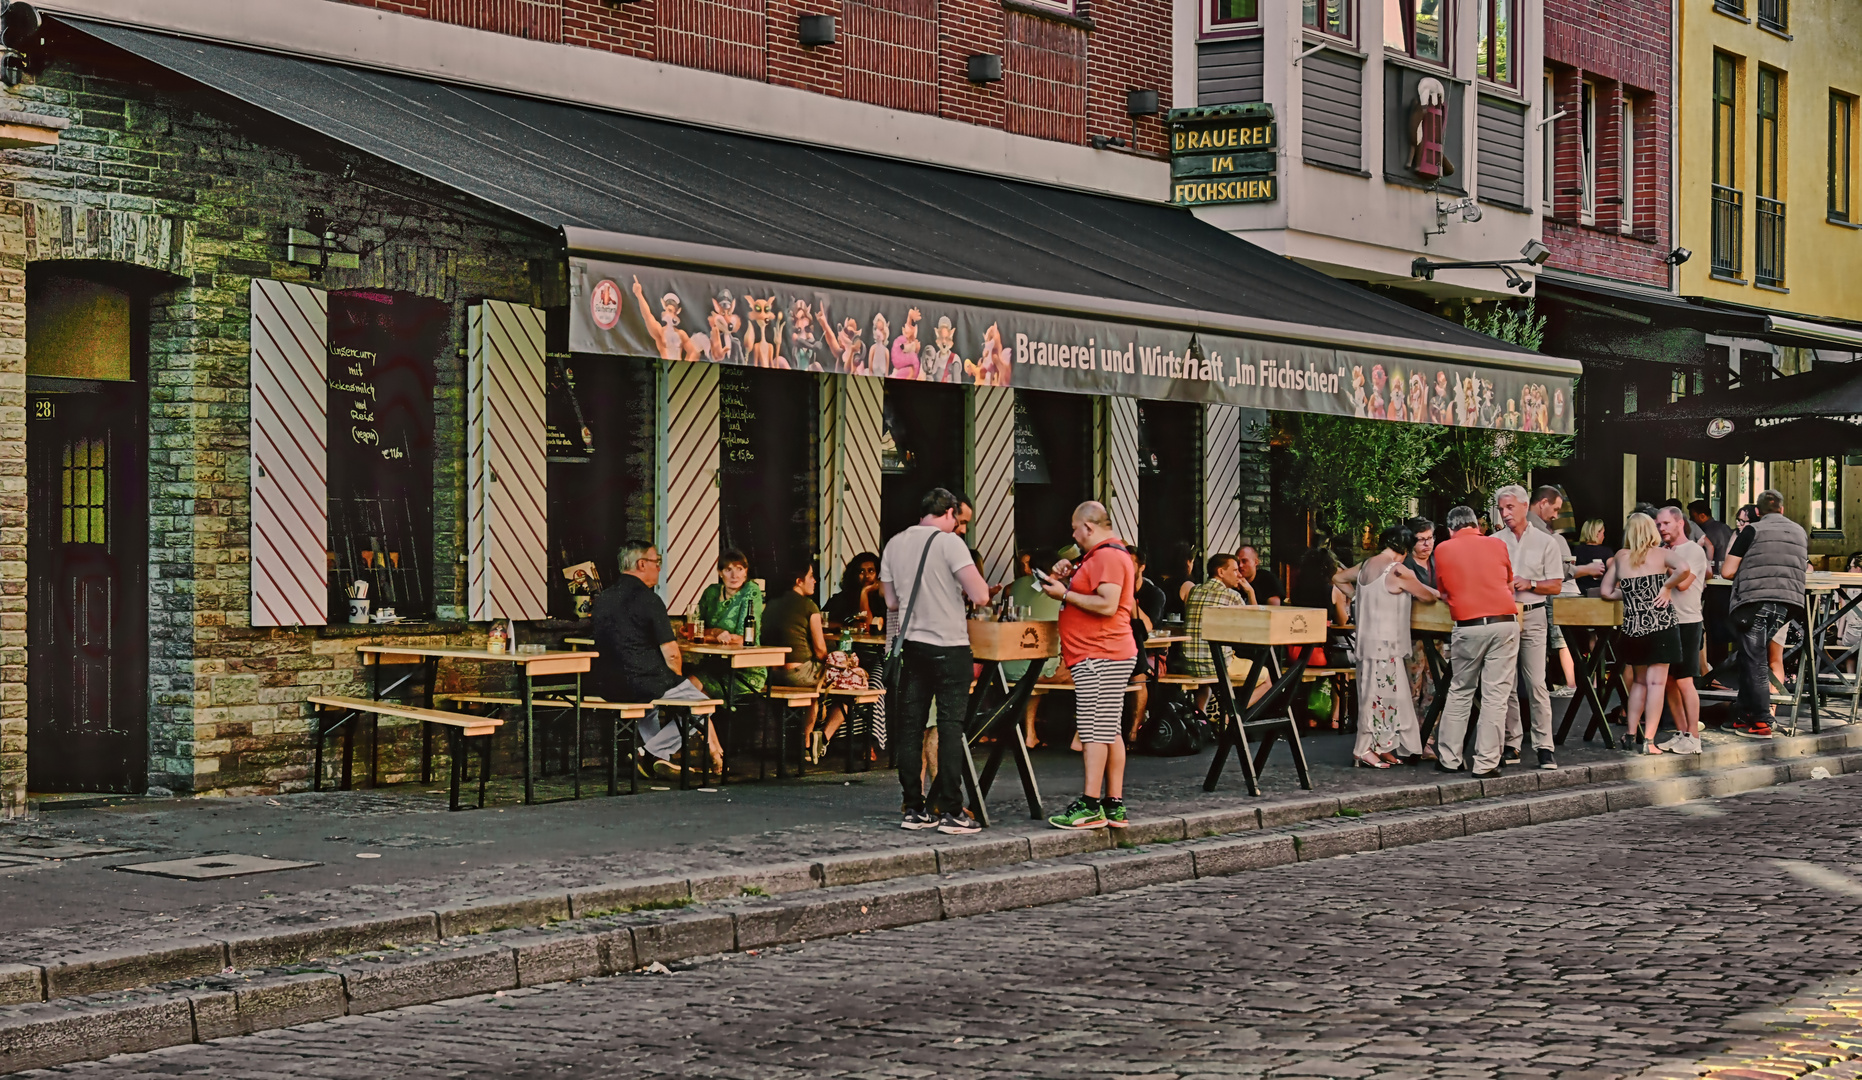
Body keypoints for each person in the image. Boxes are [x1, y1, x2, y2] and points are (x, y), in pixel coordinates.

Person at [881, 488, 992, 833]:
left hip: (913, 647)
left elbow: (892, 603)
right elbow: (981, 594)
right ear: (947, 513)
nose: (960, 528)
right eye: (958, 520)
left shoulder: (894, 544)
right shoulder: (949, 544)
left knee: (910, 729)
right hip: (951, 646)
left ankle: (913, 808)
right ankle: (952, 810)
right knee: (949, 728)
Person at [1040, 501, 1138, 830]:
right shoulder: (1103, 556)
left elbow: (1108, 604)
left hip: (1101, 654)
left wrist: (1064, 596)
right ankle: (1114, 804)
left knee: (1094, 728)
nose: (1072, 534)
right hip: (1103, 653)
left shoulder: (1108, 556)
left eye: (1074, 527)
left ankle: (1090, 804)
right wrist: (1065, 578)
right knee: (1108, 729)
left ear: (1089, 527)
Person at [590, 540, 721, 778]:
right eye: (656, 562)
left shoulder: (603, 598)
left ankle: (658, 759)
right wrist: (677, 682)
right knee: (702, 706)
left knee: (649, 709)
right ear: (642, 564)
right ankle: (651, 753)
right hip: (644, 680)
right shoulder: (649, 599)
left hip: (606, 684)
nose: (659, 568)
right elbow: (671, 652)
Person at [1430, 505, 1519, 777]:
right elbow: (1508, 582)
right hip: (1503, 623)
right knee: (1495, 696)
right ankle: (1486, 763)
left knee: (1460, 690)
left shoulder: (1442, 549)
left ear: (1449, 528)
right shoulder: (1498, 545)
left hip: (1467, 626)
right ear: (1477, 525)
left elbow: (1444, 591)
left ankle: (1449, 758)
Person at [1600, 512, 1693, 753]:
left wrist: (1631, 595)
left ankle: (1631, 734)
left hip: (1633, 628)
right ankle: (1649, 741)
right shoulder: (1662, 554)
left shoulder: (1620, 557)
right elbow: (1684, 568)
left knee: (1639, 683)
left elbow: (1606, 592)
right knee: (1656, 684)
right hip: (1661, 626)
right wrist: (1666, 587)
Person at [1721, 489, 1808, 739]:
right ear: (1782, 509)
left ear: (1757, 512)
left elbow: (1727, 571)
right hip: (1789, 603)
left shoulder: (1752, 530)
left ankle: (1761, 722)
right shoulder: (1799, 532)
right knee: (1754, 658)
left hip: (1754, 601)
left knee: (1754, 660)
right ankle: (1744, 715)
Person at [1352, 522, 1439, 768]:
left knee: (1377, 694)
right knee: (1382, 696)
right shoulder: (1398, 570)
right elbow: (1426, 595)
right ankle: (1363, 750)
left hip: (1367, 641)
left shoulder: (1366, 565)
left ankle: (1382, 745)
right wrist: (1437, 593)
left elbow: (1339, 578)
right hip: (1387, 642)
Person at [1494, 485, 1563, 770]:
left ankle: (1544, 745)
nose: (1504, 514)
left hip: (1533, 613)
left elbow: (1556, 585)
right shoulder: (1494, 540)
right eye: (1501, 509)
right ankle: (1512, 742)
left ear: (1525, 506)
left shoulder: (1547, 542)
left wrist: (1530, 583)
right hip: (1505, 614)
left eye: (1509, 507)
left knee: (1536, 682)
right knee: (1507, 683)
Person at [764, 559, 847, 763]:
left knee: (814, 693)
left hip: (773, 675)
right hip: (799, 674)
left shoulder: (771, 605)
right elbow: (820, 650)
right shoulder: (809, 606)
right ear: (799, 581)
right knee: (852, 687)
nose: (815, 581)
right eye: (811, 576)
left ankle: (809, 742)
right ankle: (812, 743)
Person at [1656, 505, 1709, 754]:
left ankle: (1695, 737)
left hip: (1687, 620)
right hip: (1665, 621)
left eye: (1665, 524)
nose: (1661, 529)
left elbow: (1685, 584)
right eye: (1658, 525)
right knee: (1668, 681)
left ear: (1680, 523)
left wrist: (1665, 563)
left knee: (1686, 679)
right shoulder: (1663, 551)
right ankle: (1682, 732)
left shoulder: (1694, 551)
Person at [1528, 486, 1579, 700]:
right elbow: (1563, 573)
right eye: (1555, 509)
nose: (1556, 515)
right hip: (1535, 606)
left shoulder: (1544, 535)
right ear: (1543, 503)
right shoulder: (1547, 537)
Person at [695, 549, 767, 701]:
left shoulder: (751, 591)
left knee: (693, 692)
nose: (734, 576)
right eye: (728, 570)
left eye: (739, 569)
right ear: (720, 572)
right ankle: (699, 724)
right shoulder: (711, 592)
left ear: (746, 572)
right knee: (687, 690)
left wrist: (708, 637)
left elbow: (743, 638)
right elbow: (696, 629)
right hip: (715, 665)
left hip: (745, 670)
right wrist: (715, 632)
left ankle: (700, 724)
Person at [1126, 546, 1166, 741]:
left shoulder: (1154, 594)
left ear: (1141, 567)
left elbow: (1148, 626)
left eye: (1129, 563)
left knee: (1139, 673)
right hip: (1123, 649)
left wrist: (1130, 599)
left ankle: (1135, 731)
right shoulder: (1112, 589)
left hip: (1153, 654)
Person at [1691, 501, 1736, 666]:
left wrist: (1707, 565)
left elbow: (1709, 549)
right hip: (1728, 580)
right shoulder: (1725, 527)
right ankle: (1724, 658)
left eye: (1693, 516)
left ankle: (1713, 660)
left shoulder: (1706, 531)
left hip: (1713, 580)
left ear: (1702, 515)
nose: (1692, 520)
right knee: (1723, 619)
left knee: (1712, 620)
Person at [824, 552, 881, 629]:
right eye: (861, 572)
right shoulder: (841, 599)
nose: (866, 575)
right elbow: (822, 622)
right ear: (854, 575)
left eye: (871, 571)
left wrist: (864, 592)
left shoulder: (884, 601)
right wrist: (846, 627)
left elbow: (868, 627)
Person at [1570, 519, 1613, 597]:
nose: (1604, 536)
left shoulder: (1575, 550)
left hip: (1578, 593)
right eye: (1603, 533)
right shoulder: (1606, 551)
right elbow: (1614, 572)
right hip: (1599, 594)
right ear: (1597, 533)